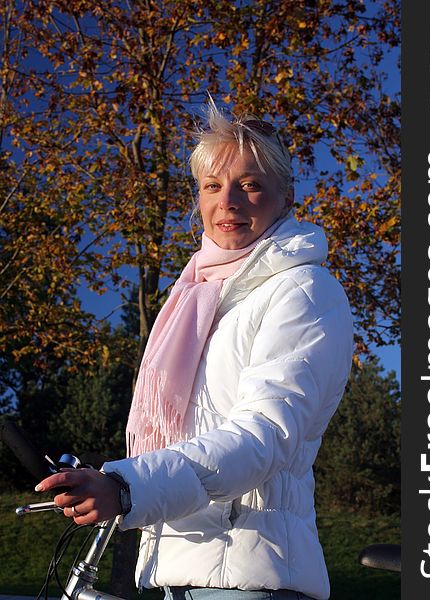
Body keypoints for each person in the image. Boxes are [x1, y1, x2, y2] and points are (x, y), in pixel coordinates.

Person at [36, 100, 354, 600]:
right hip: (179, 566)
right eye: (212, 186)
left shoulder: (302, 291)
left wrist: (127, 486)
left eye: (249, 184)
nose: (227, 202)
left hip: (249, 577)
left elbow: (264, 434)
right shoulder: (199, 296)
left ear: (286, 196)